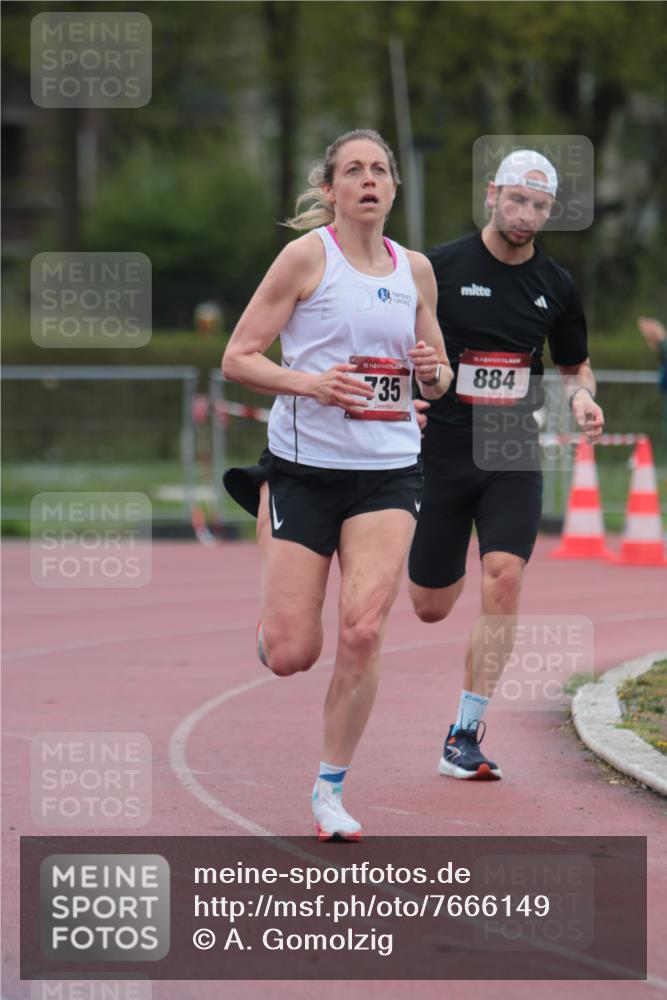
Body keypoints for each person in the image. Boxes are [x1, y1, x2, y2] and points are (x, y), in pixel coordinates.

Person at [221, 129, 452, 840]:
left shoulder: (415, 270)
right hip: (305, 471)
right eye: (353, 170)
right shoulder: (305, 257)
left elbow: (439, 377)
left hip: (389, 472)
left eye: (379, 169)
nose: (368, 179)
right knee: (293, 654)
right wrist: (311, 384)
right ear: (330, 189)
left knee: (362, 629)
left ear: (393, 187)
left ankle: (330, 790)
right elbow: (239, 357)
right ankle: (271, 591)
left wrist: (430, 374)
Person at [408, 149, 605, 781]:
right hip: (441, 449)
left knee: (505, 578)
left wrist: (581, 398)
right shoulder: (437, 268)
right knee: (430, 604)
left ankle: (463, 733)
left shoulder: (556, 284)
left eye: (539, 206)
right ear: (492, 194)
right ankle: (437, 568)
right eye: (517, 200)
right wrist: (406, 397)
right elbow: (395, 342)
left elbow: (575, 365)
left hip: (511, 447)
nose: (525, 214)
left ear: (551, 211)